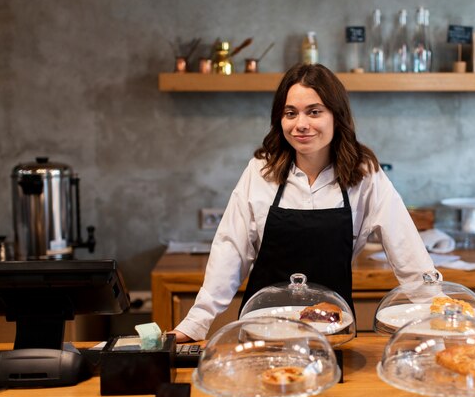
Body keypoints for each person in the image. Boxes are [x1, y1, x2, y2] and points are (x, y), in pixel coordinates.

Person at [171, 63, 438, 342]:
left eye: (314, 112)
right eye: (290, 113)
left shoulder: (364, 173)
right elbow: (231, 248)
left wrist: (437, 314)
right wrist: (196, 323)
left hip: (333, 330)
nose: (301, 124)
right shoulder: (262, 170)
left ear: (337, 115)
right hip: (262, 329)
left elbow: (406, 245)